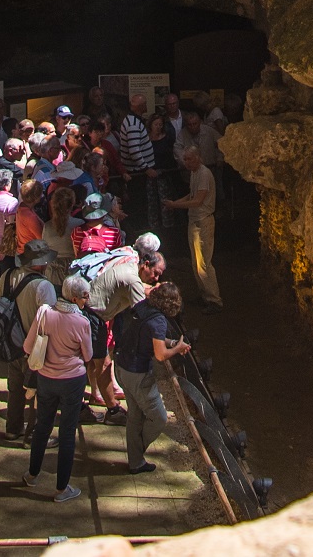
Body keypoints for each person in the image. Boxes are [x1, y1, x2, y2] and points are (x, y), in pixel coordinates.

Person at [23, 272, 95, 504]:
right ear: (75, 298)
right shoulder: (82, 322)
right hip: (72, 381)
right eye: (85, 296)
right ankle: (62, 488)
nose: (87, 300)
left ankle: (32, 474)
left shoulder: (44, 313)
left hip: (45, 377)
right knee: (67, 433)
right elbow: (88, 355)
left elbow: (27, 346)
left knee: (42, 426)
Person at [114, 277, 190, 474]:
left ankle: (135, 462)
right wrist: (177, 348)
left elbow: (153, 337)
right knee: (158, 418)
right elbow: (160, 354)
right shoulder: (159, 320)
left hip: (121, 366)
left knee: (135, 415)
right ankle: (137, 453)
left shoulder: (143, 307)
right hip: (137, 373)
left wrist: (172, 343)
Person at [83, 242, 159, 425]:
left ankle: (93, 405)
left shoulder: (131, 264)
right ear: (145, 264)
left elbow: (143, 292)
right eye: (155, 273)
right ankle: (112, 410)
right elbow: (143, 312)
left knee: (91, 362)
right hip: (92, 316)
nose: (156, 278)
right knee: (101, 364)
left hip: (93, 315)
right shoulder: (132, 278)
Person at [0, 249, 58, 439]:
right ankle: (34, 434)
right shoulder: (44, 286)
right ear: (41, 263)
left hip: (10, 342)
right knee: (38, 391)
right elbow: (50, 318)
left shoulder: (8, 275)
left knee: (15, 388)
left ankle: (13, 429)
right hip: (36, 346)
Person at [163, 145, 221, 309]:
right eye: (185, 159)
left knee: (204, 263)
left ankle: (214, 300)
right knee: (196, 262)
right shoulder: (195, 173)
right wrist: (174, 204)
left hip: (203, 221)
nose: (186, 162)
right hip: (195, 221)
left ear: (198, 157)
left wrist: (175, 205)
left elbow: (198, 201)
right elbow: (192, 195)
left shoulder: (203, 174)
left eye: (189, 159)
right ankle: (205, 296)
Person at [115, 100, 159, 232]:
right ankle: (140, 230)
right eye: (145, 103)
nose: (147, 105)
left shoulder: (134, 120)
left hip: (139, 170)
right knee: (139, 205)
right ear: (141, 107)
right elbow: (134, 150)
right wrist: (146, 168)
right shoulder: (133, 124)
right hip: (137, 172)